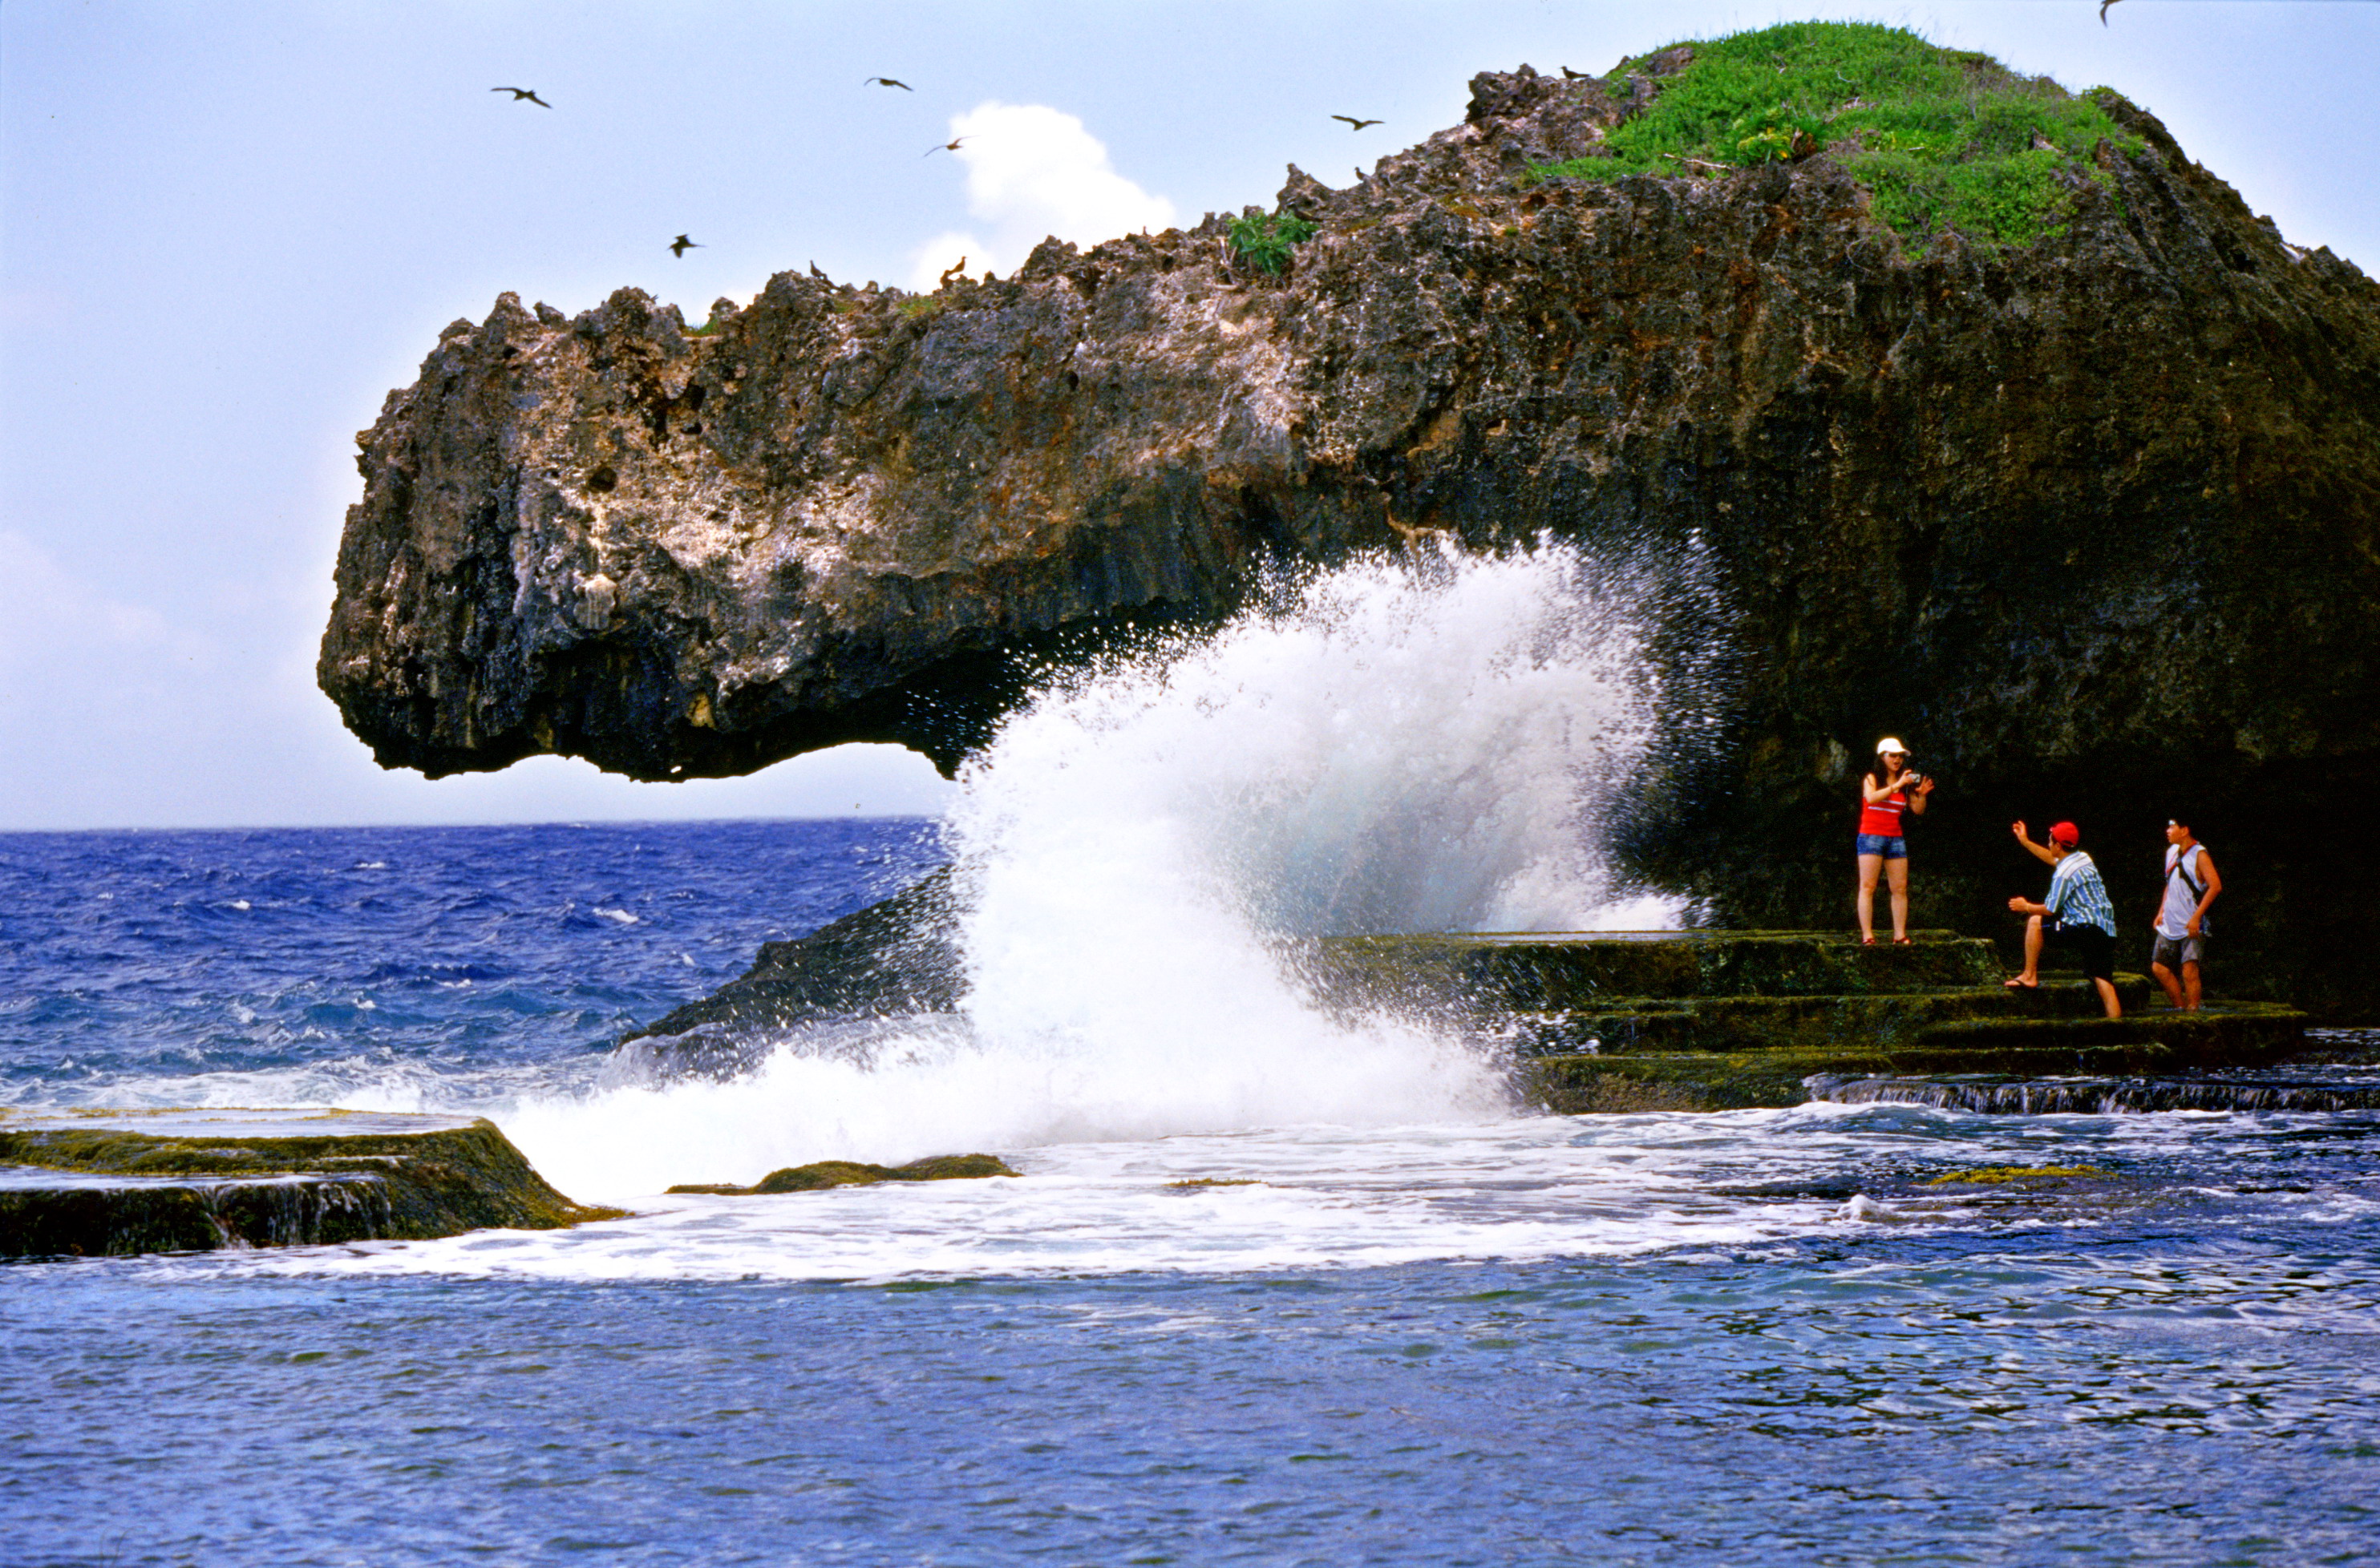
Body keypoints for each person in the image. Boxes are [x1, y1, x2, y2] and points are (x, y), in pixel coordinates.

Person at [2005, 819, 2122, 1018]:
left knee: (2035, 921)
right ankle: (2117, 1028)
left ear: (2058, 845)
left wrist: (2026, 906)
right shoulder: (2083, 858)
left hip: (2085, 928)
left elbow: (2050, 909)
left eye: (2050, 842)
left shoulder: (2064, 875)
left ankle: (2029, 975)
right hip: (2105, 930)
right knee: (2103, 981)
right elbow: (2054, 860)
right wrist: (2025, 841)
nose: (2048, 845)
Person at [1856, 738, 1936, 945]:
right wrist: (1896, 786)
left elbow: (1918, 810)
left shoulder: (1905, 783)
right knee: (1868, 886)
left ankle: (1899, 934)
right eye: (1893, 755)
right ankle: (1867, 935)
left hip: (1894, 837)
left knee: (1899, 888)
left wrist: (1921, 795)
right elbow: (1871, 798)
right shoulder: (1872, 778)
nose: (1897, 759)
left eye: (1900, 756)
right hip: (1871, 835)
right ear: (1882, 757)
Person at [2150, 815, 2221, 1011]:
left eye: (2173, 827)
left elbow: (2215, 886)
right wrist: (2161, 911)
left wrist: (2196, 917)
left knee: (2189, 970)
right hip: (2170, 919)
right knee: (2159, 968)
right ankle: (2180, 1008)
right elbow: (2170, 884)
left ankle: (2193, 1011)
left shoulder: (2200, 854)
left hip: (2191, 919)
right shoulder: (2171, 852)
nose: (2168, 831)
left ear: (2185, 830)